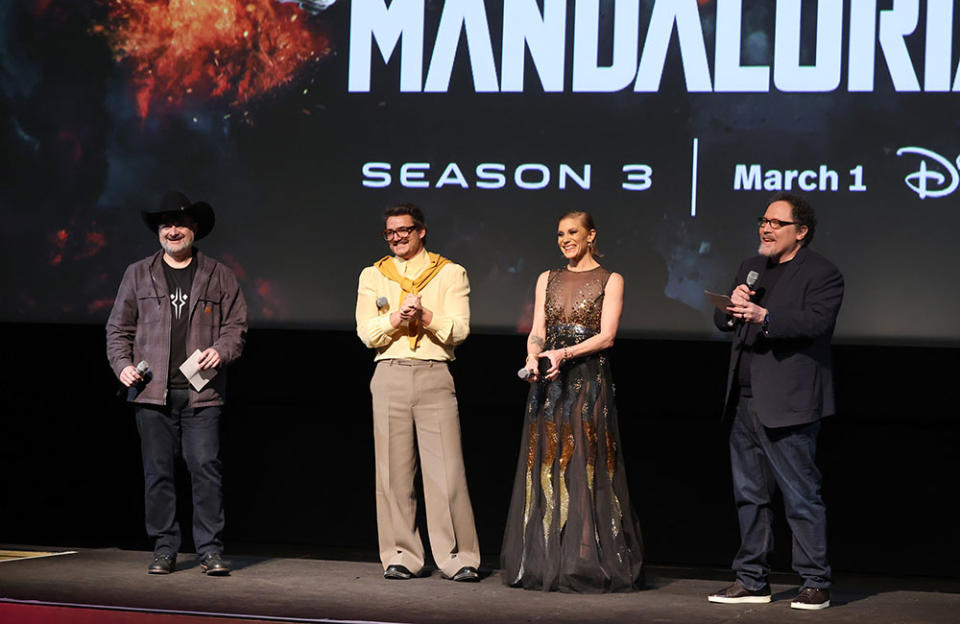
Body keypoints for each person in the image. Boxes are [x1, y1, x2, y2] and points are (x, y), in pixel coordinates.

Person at [708, 193, 843, 610]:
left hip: (790, 403)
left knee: (800, 495)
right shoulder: (753, 267)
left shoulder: (822, 273)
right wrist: (731, 311)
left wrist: (764, 317)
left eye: (775, 222)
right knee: (750, 495)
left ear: (800, 232)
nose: (765, 228)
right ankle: (752, 579)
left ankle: (815, 581)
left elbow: (815, 323)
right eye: (763, 220)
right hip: (744, 402)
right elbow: (724, 320)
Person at [500, 211, 643, 593]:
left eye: (573, 232)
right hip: (548, 383)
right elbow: (537, 332)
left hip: (586, 382)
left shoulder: (610, 280)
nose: (565, 239)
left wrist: (563, 354)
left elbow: (607, 336)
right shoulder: (547, 278)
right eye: (560, 233)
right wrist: (533, 356)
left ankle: (585, 561)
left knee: (586, 466)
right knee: (546, 466)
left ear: (591, 235)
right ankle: (546, 559)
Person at [106, 191, 247, 576]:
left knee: (205, 469)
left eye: (180, 223)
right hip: (152, 394)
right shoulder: (137, 273)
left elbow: (236, 327)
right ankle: (165, 549)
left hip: (202, 394)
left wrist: (221, 350)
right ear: (158, 230)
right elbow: (118, 329)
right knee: (158, 474)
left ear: (194, 229)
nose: (173, 230)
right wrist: (122, 366)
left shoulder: (220, 274)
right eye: (166, 224)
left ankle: (210, 550)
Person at [355, 203, 481, 582]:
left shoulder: (450, 272)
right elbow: (366, 333)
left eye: (404, 230)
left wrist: (425, 316)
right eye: (390, 232)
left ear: (421, 231)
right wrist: (397, 318)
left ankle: (458, 557)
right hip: (390, 373)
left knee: (446, 471)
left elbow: (458, 330)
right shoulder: (374, 275)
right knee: (393, 472)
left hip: (433, 373)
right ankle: (401, 555)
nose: (396, 237)